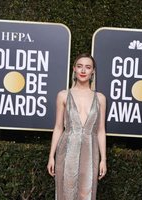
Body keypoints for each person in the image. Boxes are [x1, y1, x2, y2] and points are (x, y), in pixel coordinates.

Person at [47, 53, 107, 200]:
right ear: (74, 69)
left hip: (91, 150)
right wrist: (51, 156)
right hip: (67, 148)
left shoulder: (100, 98)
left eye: (88, 67)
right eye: (80, 66)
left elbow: (100, 130)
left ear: (93, 71)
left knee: (87, 192)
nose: (83, 70)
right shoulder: (63, 95)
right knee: (65, 191)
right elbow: (58, 127)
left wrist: (103, 159)